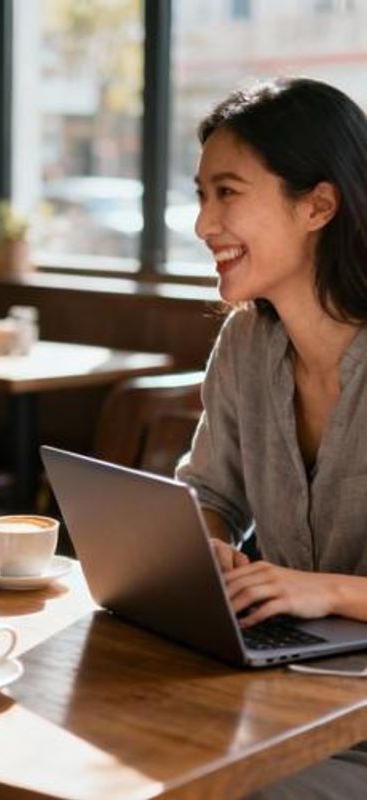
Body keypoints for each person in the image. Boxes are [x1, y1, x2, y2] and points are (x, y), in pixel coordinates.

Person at [177, 76, 367, 798]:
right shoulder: (246, 345)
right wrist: (208, 544)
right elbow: (210, 492)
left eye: (227, 193)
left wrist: (326, 592)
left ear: (318, 204)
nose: (203, 224)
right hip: (290, 697)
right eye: (201, 195)